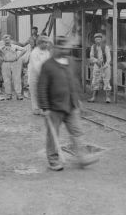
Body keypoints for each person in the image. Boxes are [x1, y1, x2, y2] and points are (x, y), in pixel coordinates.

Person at [37, 36, 101, 171]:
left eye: (66, 48)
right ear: (55, 48)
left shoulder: (71, 62)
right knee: (53, 135)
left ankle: (82, 158)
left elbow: (74, 82)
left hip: (71, 105)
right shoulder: (48, 65)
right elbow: (41, 87)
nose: (64, 50)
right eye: (61, 48)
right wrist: (44, 107)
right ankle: (53, 160)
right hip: (54, 107)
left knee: (77, 132)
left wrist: (77, 100)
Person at [28, 35, 52, 114]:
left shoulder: (47, 52)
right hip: (35, 75)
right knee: (35, 91)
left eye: (47, 43)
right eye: (45, 43)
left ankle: (44, 108)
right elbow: (37, 66)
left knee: (44, 91)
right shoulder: (34, 52)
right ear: (40, 43)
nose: (46, 44)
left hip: (45, 75)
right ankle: (36, 108)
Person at [0, 34, 27, 100]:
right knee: (6, 79)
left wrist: (18, 56)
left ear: (10, 39)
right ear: (3, 40)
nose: (6, 41)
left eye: (8, 39)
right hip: (5, 63)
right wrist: (1, 58)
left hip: (15, 63)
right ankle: (8, 94)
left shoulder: (15, 46)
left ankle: (18, 94)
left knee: (16, 78)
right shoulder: (1, 48)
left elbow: (24, 50)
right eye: (5, 39)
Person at [88, 33, 112, 103]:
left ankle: (107, 98)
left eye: (99, 39)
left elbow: (109, 58)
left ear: (101, 40)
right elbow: (91, 57)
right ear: (94, 40)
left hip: (105, 66)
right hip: (97, 65)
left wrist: (105, 66)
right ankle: (93, 97)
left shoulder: (106, 47)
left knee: (106, 81)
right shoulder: (93, 47)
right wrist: (96, 61)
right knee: (95, 80)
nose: (98, 40)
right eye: (96, 39)